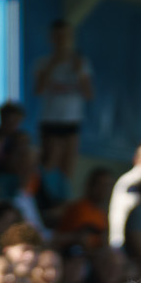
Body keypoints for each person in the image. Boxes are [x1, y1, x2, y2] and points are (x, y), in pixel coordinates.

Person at [32, 18, 93, 176]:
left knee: (68, 168)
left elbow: (89, 94)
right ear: (52, 38)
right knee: (49, 164)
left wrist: (79, 73)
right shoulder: (42, 63)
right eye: (58, 37)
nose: (62, 41)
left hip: (71, 120)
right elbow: (38, 90)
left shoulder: (81, 63)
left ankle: (64, 191)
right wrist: (53, 65)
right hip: (50, 119)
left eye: (65, 36)